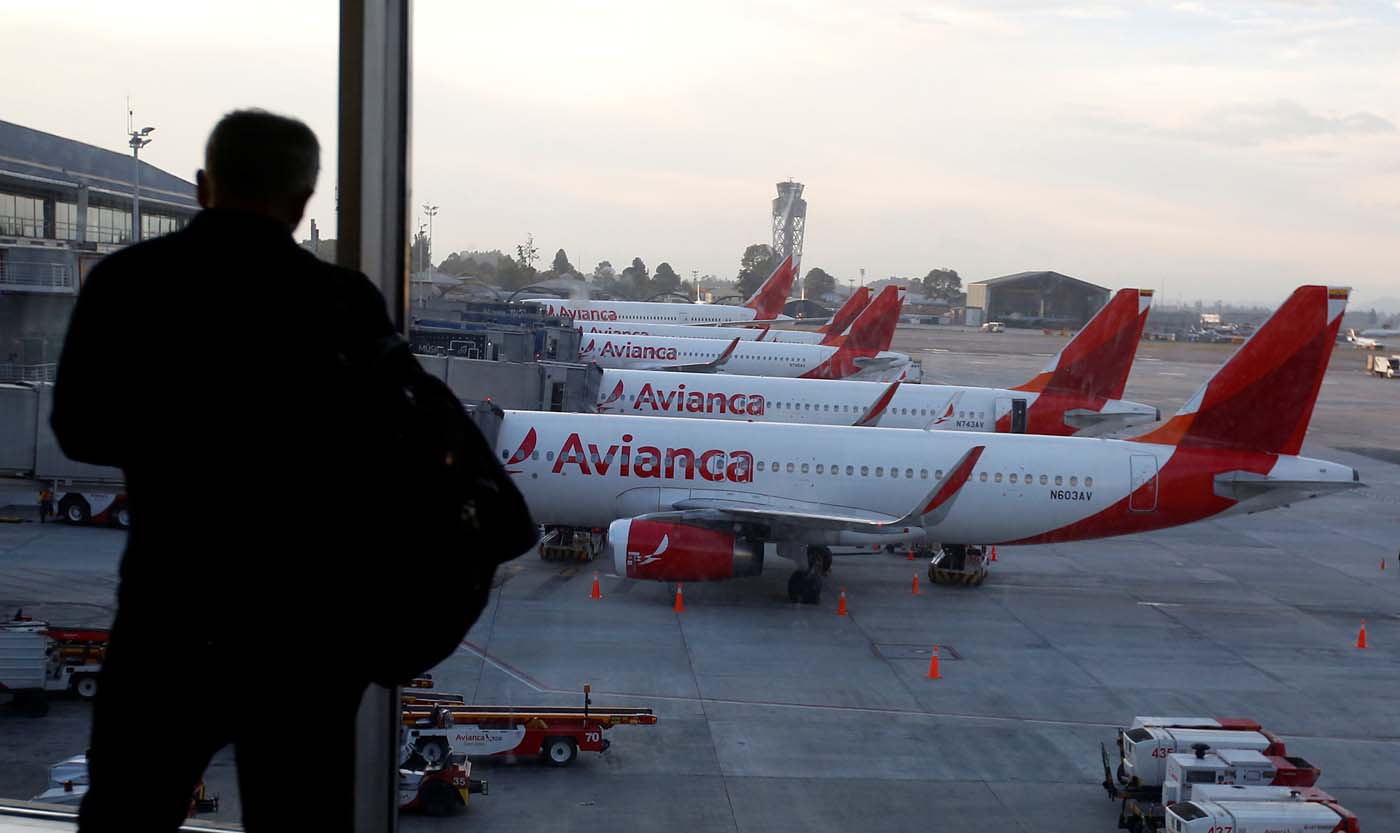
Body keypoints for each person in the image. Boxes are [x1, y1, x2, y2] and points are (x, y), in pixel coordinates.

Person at [52, 110, 399, 832]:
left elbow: (77, 429)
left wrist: (179, 437)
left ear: (204, 186)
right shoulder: (344, 302)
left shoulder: (127, 282)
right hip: (302, 627)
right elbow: (385, 456)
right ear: (304, 203)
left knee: (126, 811)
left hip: (170, 610)